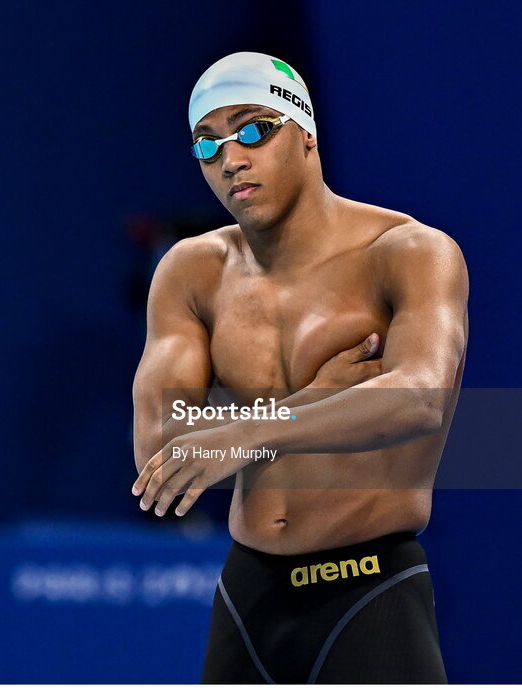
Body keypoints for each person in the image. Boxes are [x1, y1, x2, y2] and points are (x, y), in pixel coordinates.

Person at [131, 52, 468, 683]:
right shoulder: (192, 271)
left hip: (367, 592)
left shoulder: (410, 252)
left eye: (254, 130)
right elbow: (160, 452)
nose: (231, 159)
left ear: (306, 131)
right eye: (208, 145)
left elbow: (419, 396)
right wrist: (309, 401)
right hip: (249, 592)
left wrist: (242, 432)